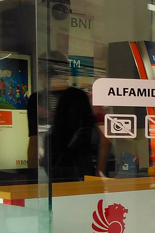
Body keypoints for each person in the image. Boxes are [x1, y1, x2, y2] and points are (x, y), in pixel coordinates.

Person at [27, 51, 110, 179]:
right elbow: (104, 139)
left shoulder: (36, 100)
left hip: (53, 173)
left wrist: (32, 179)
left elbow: (34, 144)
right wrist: (98, 175)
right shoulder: (80, 96)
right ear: (66, 72)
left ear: (41, 74)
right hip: (82, 171)